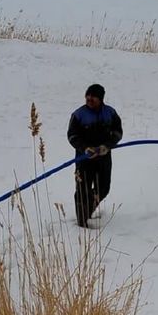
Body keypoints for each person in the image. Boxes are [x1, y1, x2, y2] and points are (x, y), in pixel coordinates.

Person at [67, 84, 123, 227]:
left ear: (101, 99)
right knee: (82, 190)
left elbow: (118, 132)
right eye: (88, 96)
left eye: (93, 96)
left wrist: (107, 146)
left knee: (103, 188)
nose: (89, 99)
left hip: (103, 158)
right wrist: (85, 148)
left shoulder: (110, 113)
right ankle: (81, 222)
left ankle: (88, 210)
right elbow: (72, 136)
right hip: (84, 159)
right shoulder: (78, 115)